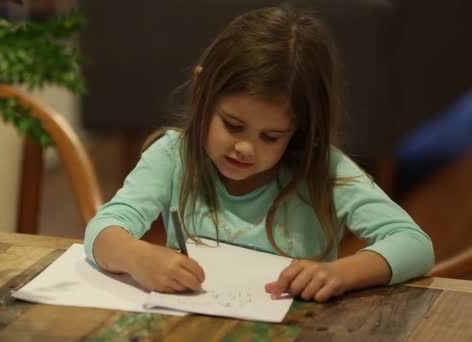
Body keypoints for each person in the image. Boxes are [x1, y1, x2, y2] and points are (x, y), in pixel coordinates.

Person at [84, 5, 434, 303]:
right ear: (202, 87)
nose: (246, 148)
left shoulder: (323, 171)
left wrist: (340, 273)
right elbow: (102, 230)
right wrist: (137, 256)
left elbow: (415, 244)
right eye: (233, 125)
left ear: (300, 129)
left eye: (271, 136)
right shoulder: (173, 156)